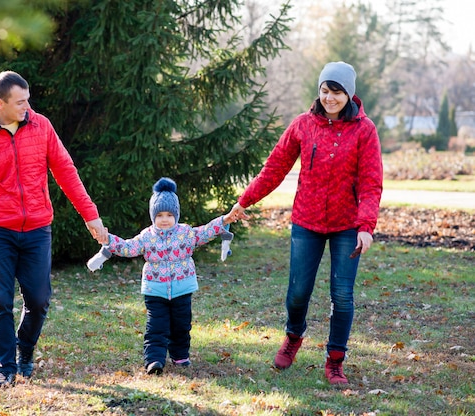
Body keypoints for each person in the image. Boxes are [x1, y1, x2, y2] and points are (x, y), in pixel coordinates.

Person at [227, 61, 383, 384]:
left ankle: (335, 359)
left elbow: (371, 182)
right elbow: (274, 169)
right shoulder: (303, 125)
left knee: (342, 295)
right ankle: (294, 336)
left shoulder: (365, 131)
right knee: (298, 293)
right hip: (307, 222)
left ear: (349, 95)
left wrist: (366, 226)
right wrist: (244, 200)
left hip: (347, 225)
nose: (329, 98)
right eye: (325, 91)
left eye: (336, 92)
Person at [0, 71, 108, 387]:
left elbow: (66, 171)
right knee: (0, 302)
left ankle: (24, 350)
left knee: (38, 300)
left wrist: (90, 215)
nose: (27, 106)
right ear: (0, 103)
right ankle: (5, 368)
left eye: (28, 100)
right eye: (20, 102)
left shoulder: (42, 127)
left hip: (38, 228)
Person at [90, 177, 235, 375]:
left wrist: (225, 220)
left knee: (181, 325)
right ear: (153, 216)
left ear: (176, 214)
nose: (164, 219)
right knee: (156, 327)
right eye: (159, 215)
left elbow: (206, 231)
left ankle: (180, 355)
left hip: (182, 288)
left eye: (169, 214)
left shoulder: (186, 233)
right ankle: (154, 360)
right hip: (155, 290)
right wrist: (108, 240)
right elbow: (128, 247)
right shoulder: (147, 236)